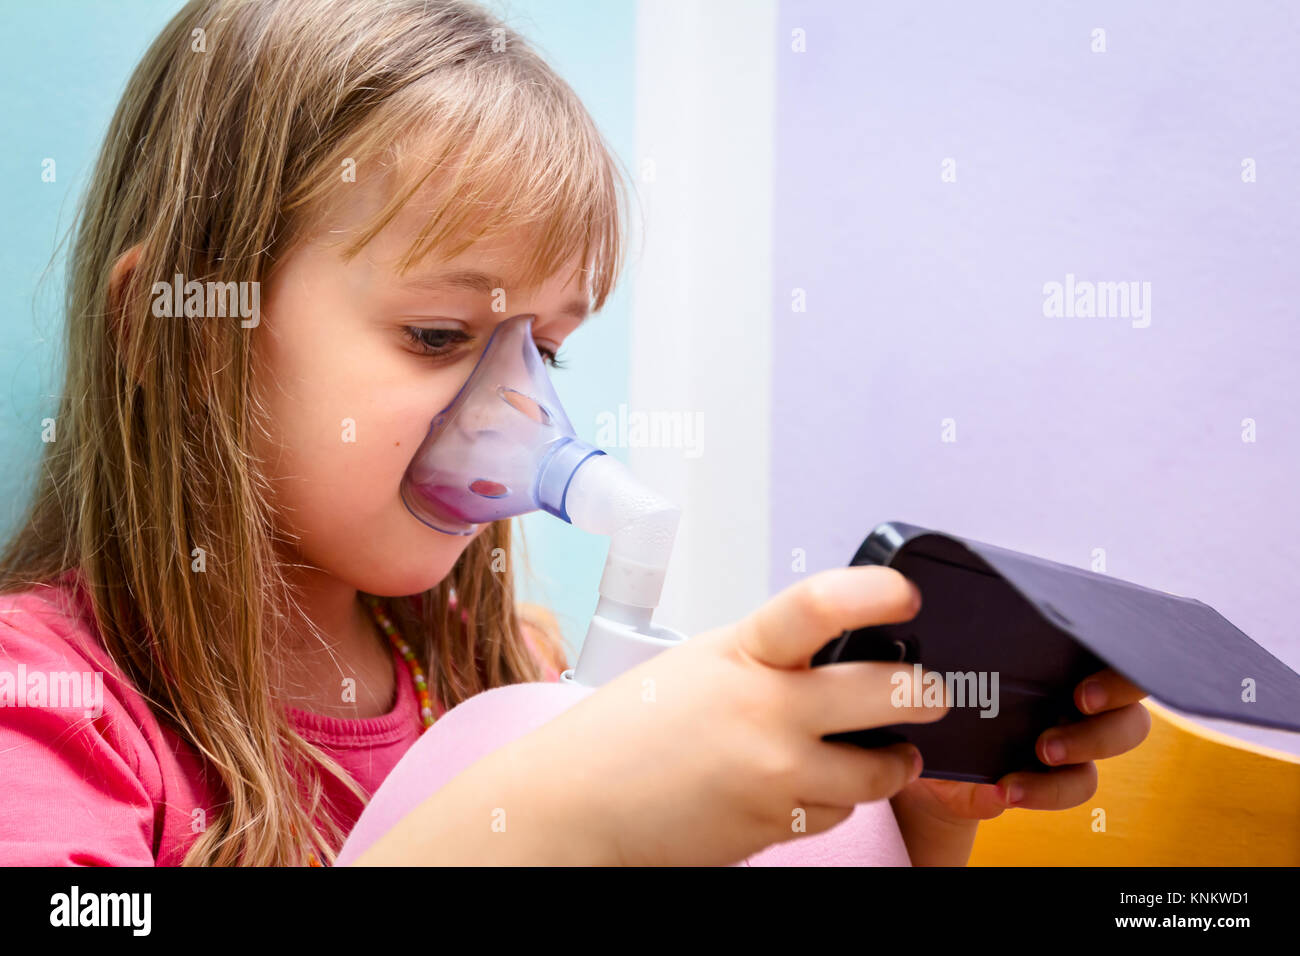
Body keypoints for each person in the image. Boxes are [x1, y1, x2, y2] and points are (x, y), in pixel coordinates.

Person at [0, 0, 1150, 867]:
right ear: (177, 332)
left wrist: (895, 802)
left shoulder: (503, 661)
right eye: (442, 331)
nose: (523, 415)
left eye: (544, 349)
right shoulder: (52, 710)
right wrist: (570, 813)